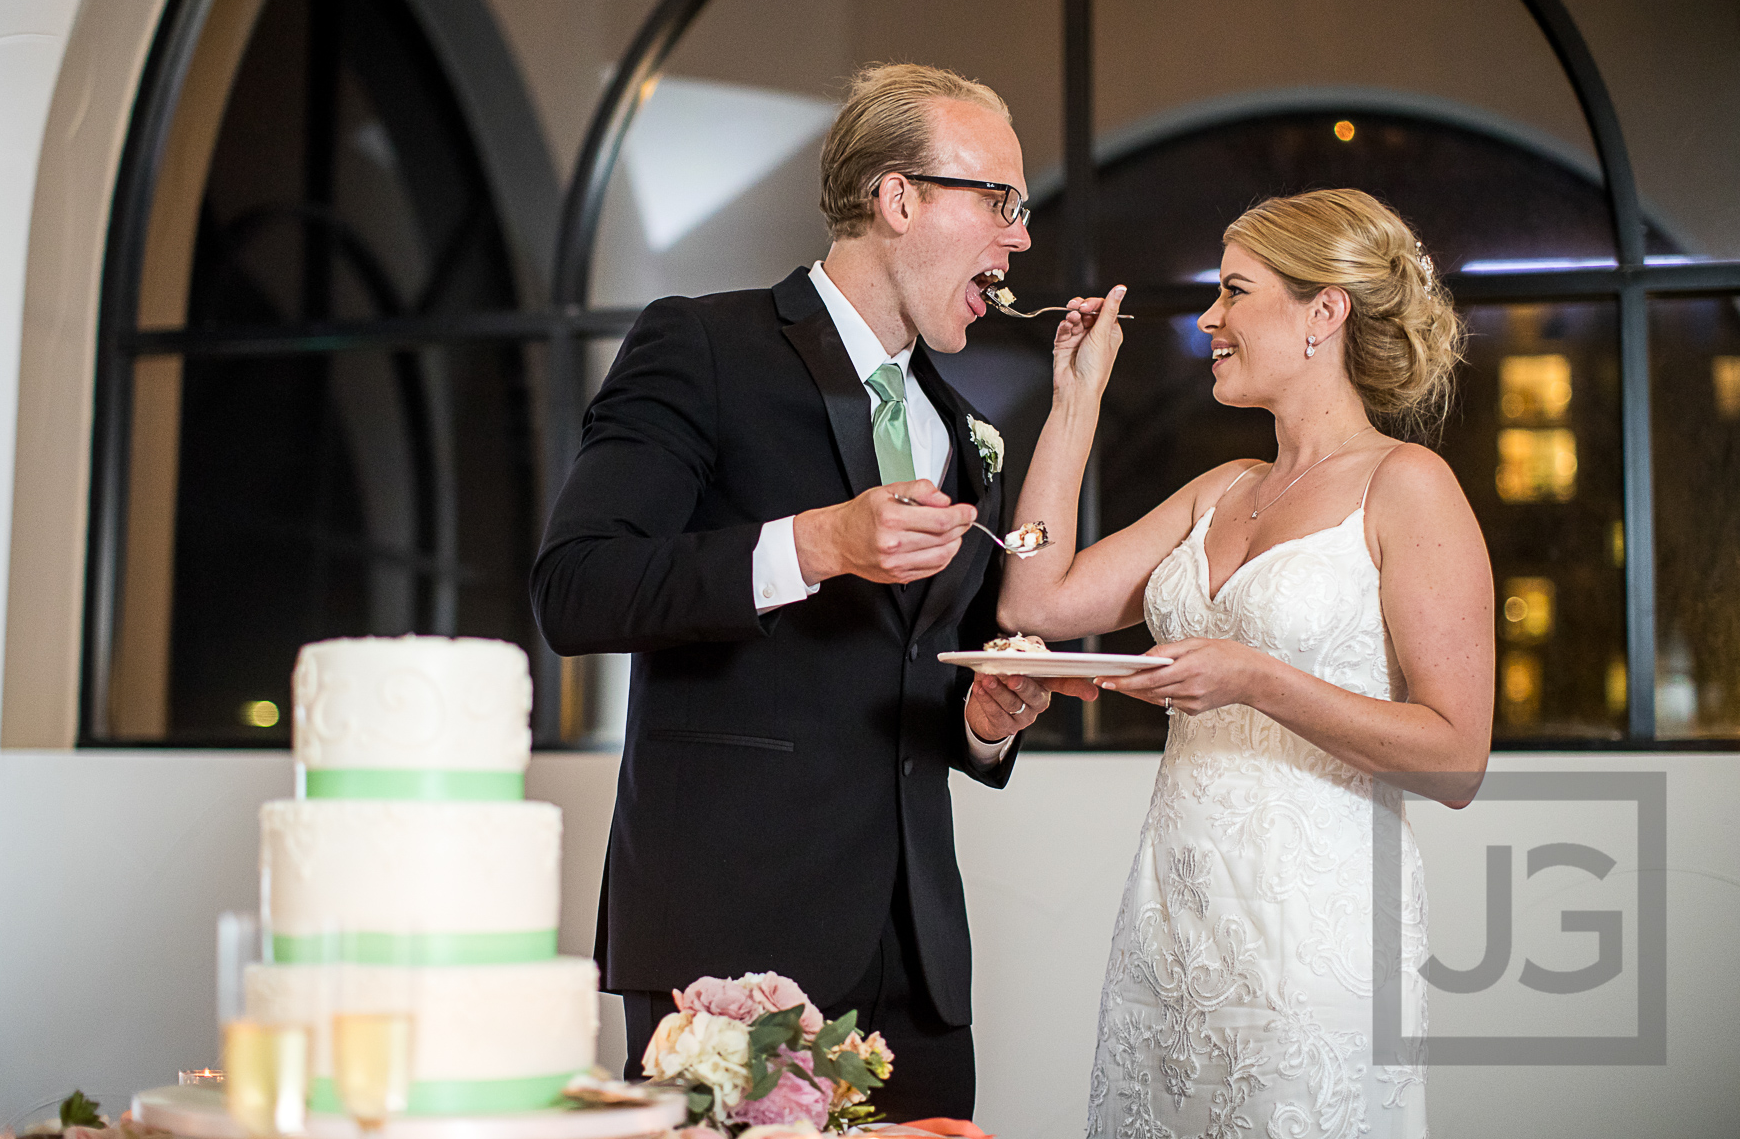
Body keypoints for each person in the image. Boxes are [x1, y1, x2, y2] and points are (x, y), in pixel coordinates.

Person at [532, 64, 1091, 1119]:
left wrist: (984, 721)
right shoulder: (701, 345)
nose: (1019, 241)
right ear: (898, 199)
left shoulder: (968, 431)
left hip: (918, 970)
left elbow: (928, 678)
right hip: (727, 951)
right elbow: (576, 588)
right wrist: (814, 543)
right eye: (1001, 203)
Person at [996, 188, 1494, 1137]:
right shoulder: (1223, 490)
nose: (1208, 320)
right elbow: (1034, 601)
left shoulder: (1408, 486)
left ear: (1324, 311)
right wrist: (1074, 400)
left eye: (1233, 292)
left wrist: (1255, 678)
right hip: (1170, 930)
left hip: (1316, 943)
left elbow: (1457, 758)